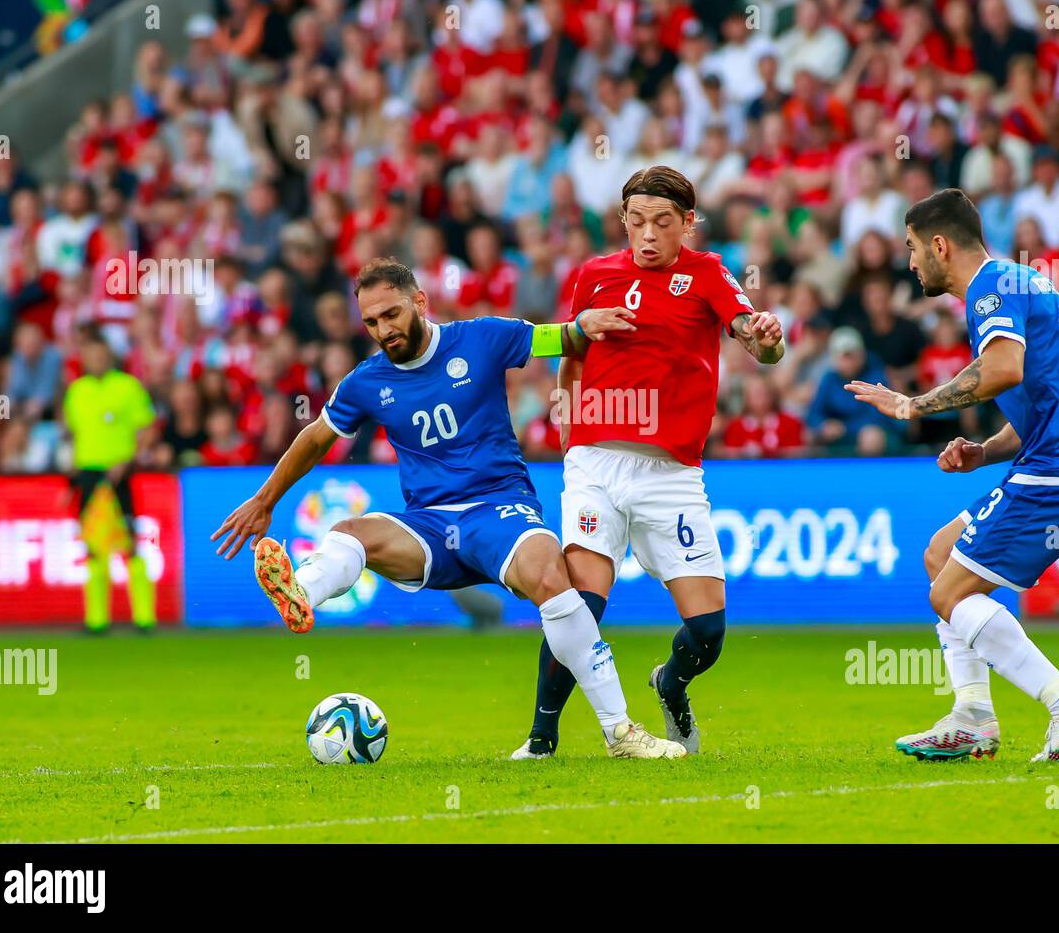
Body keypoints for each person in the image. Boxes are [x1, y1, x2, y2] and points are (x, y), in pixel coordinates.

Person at [211, 257, 684, 760]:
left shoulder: (481, 339)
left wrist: (582, 326)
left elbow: (559, 339)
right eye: (371, 322)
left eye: (391, 314)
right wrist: (264, 502)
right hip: (430, 528)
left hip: (500, 510)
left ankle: (620, 732)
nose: (383, 330)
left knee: (550, 575)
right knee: (351, 531)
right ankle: (302, 592)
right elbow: (316, 436)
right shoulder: (366, 382)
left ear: (419, 301)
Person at [845, 189, 1059, 763]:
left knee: (948, 592)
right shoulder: (1024, 283)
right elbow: (1040, 401)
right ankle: (973, 716)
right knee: (940, 555)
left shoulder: (992, 286)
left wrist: (912, 405)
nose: (910, 262)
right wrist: (982, 450)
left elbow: (1003, 369)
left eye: (912, 248)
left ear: (940, 245)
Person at [511, 165, 784, 759]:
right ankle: (540, 738)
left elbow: (756, 341)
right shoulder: (594, 275)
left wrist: (767, 337)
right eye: (637, 222)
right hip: (595, 462)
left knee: (708, 633)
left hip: (672, 473)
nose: (649, 235)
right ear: (624, 222)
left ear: (688, 223)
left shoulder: (708, 273)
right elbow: (572, 347)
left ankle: (670, 682)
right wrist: (566, 410)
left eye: (663, 222)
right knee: (578, 604)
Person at [62, 327, 158, 633]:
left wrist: (128, 460)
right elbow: (74, 435)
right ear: (84, 360)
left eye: (101, 355)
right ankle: (96, 620)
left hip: (119, 474)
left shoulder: (128, 387)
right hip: (88, 474)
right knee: (92, 546)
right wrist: (73, 477)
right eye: (91, 356)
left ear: (111, 357)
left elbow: (147, 430)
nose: (97, 361)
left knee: (129, 544)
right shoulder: (77, 391)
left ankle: (145, 618)